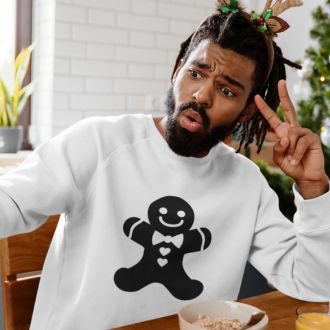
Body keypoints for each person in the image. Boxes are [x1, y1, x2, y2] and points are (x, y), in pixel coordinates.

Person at [1, 0, 329, 329]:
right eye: (196, 73)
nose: (202, 95)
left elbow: (315, 284)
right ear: (177, 70)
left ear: (246, 112)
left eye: (227, 89)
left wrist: (314, 189)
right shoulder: (99, 143)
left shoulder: (246, 183)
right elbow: (12, 201)